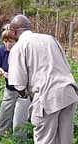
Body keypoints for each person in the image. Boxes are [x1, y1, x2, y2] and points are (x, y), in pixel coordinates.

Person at [8, 14, 78, 144]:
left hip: (47, 98)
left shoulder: (19, 47)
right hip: (68, 93)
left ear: (13, 31)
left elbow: (19, 85)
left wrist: (30, 99)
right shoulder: (50, 39)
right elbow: (66, 66)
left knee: (45, 140)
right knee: (65, 140)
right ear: (30, 27)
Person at [0, 24, 30, 136]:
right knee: (4, 114)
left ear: (17, 41)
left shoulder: (22, 51)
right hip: (9, 89)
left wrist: (15, 76)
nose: (8, 44)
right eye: (5, 41)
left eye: (11, 41)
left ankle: (19, 139)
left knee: (19, 121)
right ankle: (2, 136)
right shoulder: (2, 51)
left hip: (23, 92)